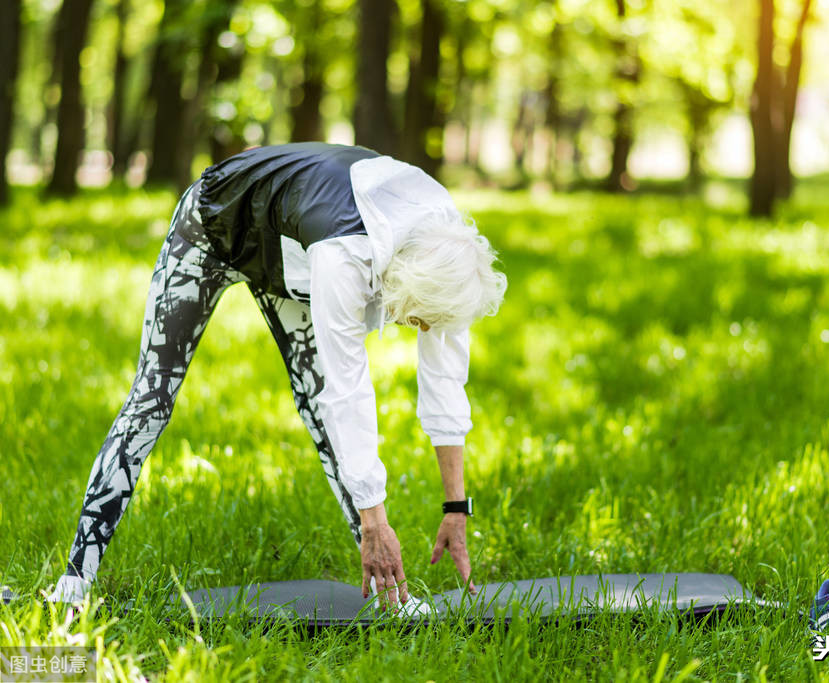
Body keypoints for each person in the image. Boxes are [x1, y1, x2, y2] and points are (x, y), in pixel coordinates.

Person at [46, 143, 507, 608]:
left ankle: (388, 595)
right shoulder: (344, 257)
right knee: (153, 399)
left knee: (318, 412)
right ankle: (74, 583)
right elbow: (347, 393)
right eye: (418, 320)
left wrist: (456, 507)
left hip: (288, 255)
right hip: (213, 226)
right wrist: (376, 522)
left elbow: (445, 380)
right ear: (404, 285)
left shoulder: (450, 251)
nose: (420, 330)